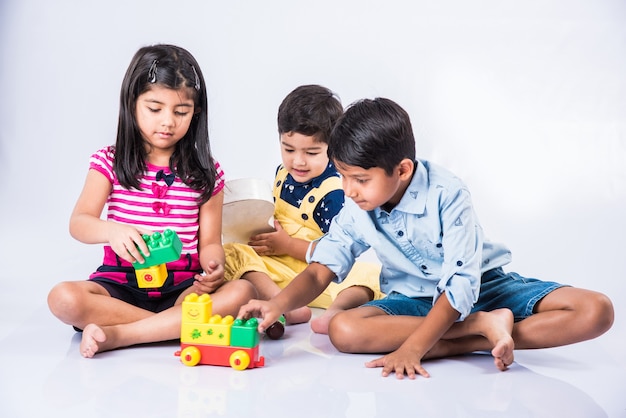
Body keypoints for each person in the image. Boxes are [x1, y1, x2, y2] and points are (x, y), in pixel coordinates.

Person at [238, 97, 614, 379]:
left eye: (361, 180)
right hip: (413, 300)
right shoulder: (357, 205)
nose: (348, 191)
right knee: (344, 329)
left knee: (596, 310)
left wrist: (415, 348)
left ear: (401, 169)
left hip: (484, 287)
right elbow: (323, 268)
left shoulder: (447, 193)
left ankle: (476, 325)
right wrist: (279, 305)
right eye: (343, 176)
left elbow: (462, 283)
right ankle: (483, 329)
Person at [47, 44, 256, 358]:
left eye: (180, 111)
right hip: (121, 286)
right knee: (63, 298)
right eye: (154, 108)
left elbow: (210, 242)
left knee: (243, 291)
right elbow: (79, 223)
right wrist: (112, 231)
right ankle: (174, 330)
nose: (168, 122)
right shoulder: (110, 161)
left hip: (182, 289)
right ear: (132, 104)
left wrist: (214, 264)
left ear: (195, 112)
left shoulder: (207, 173)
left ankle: (122, 334)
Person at [223, 85, 383, 334]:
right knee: (232, 252)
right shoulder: (282, 174)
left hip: (315, 275)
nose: (298, 161)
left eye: (311, 152)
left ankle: (335, 311)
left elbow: (335, 250)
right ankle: (280, 302)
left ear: (333, 148)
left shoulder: (333, 192)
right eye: (289, 149)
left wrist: (287, 245)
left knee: (370, 274)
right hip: (275, 268)